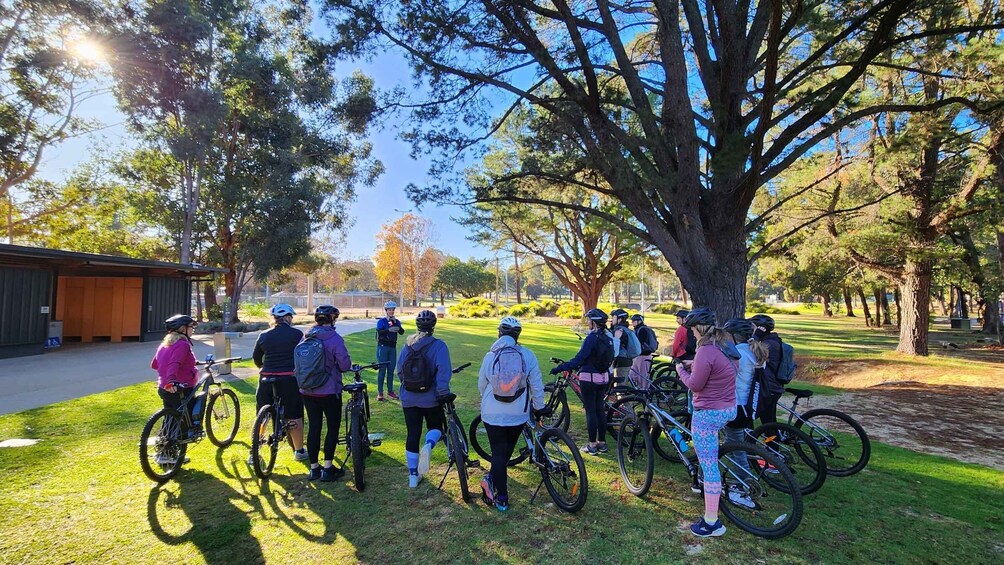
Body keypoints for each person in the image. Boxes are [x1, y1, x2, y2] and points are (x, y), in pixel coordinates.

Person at [674, 308, 738, 537]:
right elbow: (716, 369)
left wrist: (681, 369)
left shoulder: (705, 351)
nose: (690, 334)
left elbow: (694, 385)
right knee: (710, 455)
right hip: (728, 408)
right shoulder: (723, 347)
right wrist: (695, 364)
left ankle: (712, 522)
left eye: (691, 329)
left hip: (708, 413)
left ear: (698, 328)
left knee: (710, 466)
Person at [478, 317, 546, 512]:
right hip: (518, 413)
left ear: (499, 333)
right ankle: (492, 480)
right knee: (506, 451)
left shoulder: (490, 356)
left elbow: (482, 384)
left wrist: (488, 399)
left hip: (492, 412)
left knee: (499, 454)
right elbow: (537, 385)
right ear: (518, 335)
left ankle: (502, 498)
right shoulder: (528, 355)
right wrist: (539, 408)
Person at [397, 309, 453, 488]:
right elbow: (444, 372)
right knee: (436, 427)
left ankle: (413, 476)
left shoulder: (408, 345)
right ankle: (428, 446)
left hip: (408, 397)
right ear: (434, 326)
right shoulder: (439, 346)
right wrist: (443, 392)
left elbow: (400, 371)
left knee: (412, 433)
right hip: (431, 398)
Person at [551, 308, 616, 455]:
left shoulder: (591, 338)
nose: (587, 322)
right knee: (600, 410)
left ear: (593, 322)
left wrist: (561, 367)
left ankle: (592, 445)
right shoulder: (608, 339)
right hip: (603, 378)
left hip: (589, 379)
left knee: (591, 411)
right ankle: (602, 443)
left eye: (588, 320)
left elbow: (580, 358)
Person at [720, 318, 769, 507]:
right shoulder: (752, 351)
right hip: (748, 406)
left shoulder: (738, 352)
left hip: (735, 406)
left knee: (736, 449)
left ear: (733, 336)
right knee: (736, 445)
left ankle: (743, 487)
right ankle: (744, 481)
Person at [300, 305, 352, 482]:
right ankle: (328, 468)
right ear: (332, 319)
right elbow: (344, 365)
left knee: (314, 427)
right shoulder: (334, 338)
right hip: (329, 390)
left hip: (307, 390)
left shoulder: (306, 336)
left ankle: (314, 468)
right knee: (332, 427)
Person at [252, 304, 307, 464]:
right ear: (289, 318)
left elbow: (256, 358)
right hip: (288, 379)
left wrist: (263, 367)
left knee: (262, 416)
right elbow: (302, 356)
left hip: (266, 379)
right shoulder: (297, 334)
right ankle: (299, 451)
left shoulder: (264, 335)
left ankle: (255, 450)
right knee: (294, 415)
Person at [151, 314, 199, 450]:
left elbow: (155, 365)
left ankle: (163, 450)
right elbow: (174, 363)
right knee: (182, 419)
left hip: (164, 388)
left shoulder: (165, 344)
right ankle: (172, 453)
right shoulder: (183, 345)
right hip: (179, 387)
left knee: (170, 418)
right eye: (191, 327)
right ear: (183, 329)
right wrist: (172, 379)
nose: (192, 330)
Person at [750, 314, 784, 425]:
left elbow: (751, 353)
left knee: (768, 422)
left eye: (753, 327)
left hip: (769, 387)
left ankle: (772, 442)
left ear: (761, 328)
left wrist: (755, 336)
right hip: (772, 386)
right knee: (768, 421)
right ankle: (770, 441)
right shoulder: (772, 341)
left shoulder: (769, 344)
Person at [375, 300, 405, 401]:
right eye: (389, 310)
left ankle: (390, 391)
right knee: (382, 370)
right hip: (383, 347)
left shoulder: (396, 321)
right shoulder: (382, 321)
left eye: (392, 310)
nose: (391, 312)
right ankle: (380, 392)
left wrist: (397, 325)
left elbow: (401, 332)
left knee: (391, 370)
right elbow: (380, 332)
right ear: (386, 310)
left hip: (392, 347)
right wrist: (388, 330)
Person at [630, 314, 659, 388]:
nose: (632, 322)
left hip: (643, 356)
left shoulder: (642, 330)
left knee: (642, 376)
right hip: (640, 356)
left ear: (639, 321)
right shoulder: (639, 329)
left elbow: (639, 343)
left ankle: (645, 392)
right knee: (633, 374)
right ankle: (640, 389)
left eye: (634, 321)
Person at [609, 308, 636, 384]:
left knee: (619, 388)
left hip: (622, 361)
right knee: (615, 386)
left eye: (613, 317)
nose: (611, 319)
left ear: (619, 319)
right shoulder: (623, 329)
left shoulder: (619, 330)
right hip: (623, 361)